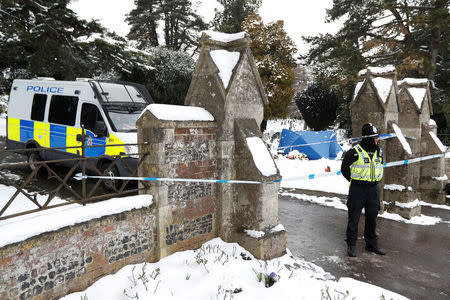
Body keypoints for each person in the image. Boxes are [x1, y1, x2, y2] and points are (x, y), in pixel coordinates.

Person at [341, 123, 386, 257]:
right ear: (369, 138)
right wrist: (355, 181)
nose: (377, 139)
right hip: (358, 189)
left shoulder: (379, 152)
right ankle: (351, 245)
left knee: (372, 218)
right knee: (353, 218)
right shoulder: (354, 152)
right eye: (375, 137)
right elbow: (344, 170)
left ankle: (371, 244)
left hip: (373, 189)